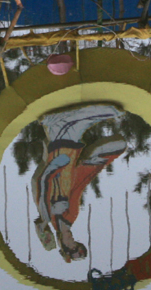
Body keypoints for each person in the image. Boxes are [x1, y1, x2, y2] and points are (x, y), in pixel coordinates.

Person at [31, 103, 128, 263]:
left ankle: (55, 123)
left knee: (84, 121)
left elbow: (40, 183)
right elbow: (78, 187)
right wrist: (91, 165)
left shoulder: (48, 216)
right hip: (69, 158)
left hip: (60, 152)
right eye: (76, 244)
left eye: (71, 246)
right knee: (116, 141)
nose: (72, 241)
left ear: (63, 246)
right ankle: (58, 124)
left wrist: (52, 168)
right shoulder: (71, 215)